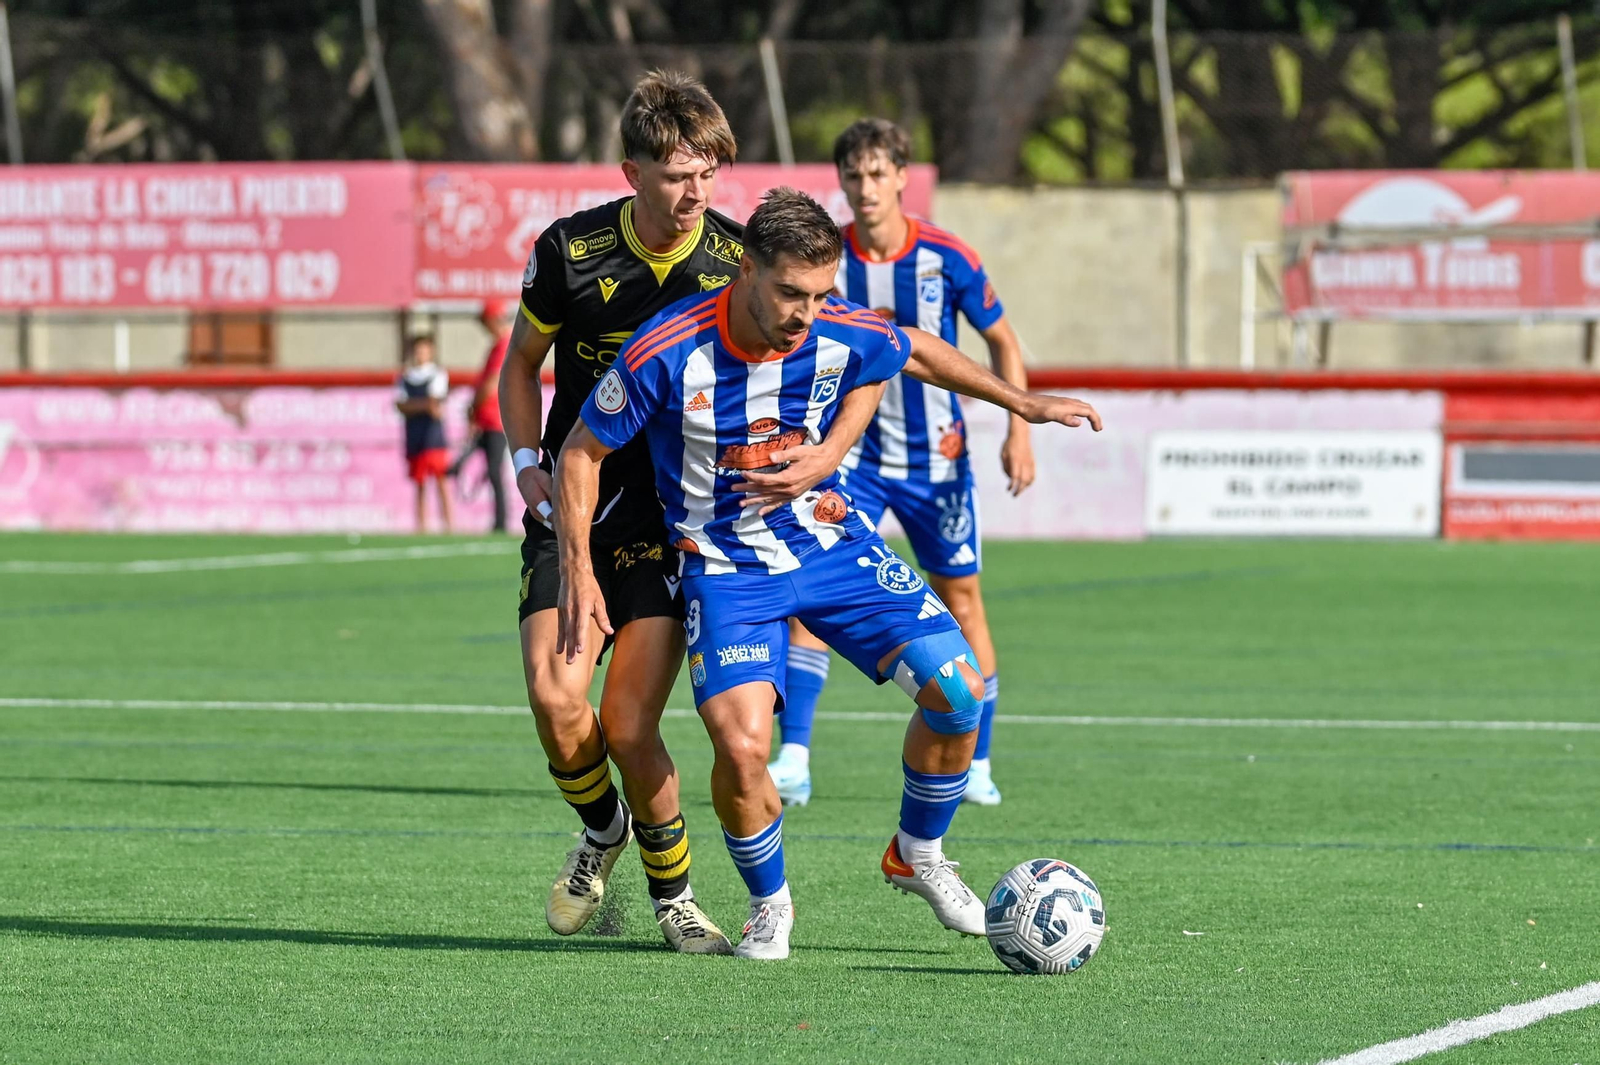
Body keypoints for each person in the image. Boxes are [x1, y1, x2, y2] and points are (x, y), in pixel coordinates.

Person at [552, 189, 1102, 960]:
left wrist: (1023, 402)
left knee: (958, 692)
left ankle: (918, 850)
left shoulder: (832, 324)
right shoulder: (667, 347)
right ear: (746, 270)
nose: (806, 313)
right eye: (789, 294)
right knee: (741, 747)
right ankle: (769, 904)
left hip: (833, 546)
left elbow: (907, 346)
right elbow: (581, 448)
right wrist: (577, 566)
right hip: (727, 567)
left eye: (818, 294)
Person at [498, 69, 746, 954]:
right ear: (632, 169)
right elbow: (519, 365)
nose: (697, 194)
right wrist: (527, 463)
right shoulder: (568, 251)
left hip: (670, 521)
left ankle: (674, 898)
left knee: (629, 723)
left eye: (710, 173)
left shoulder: (733, 261)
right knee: (557, 701)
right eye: (680, 174)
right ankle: (602, 831)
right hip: (574, 511)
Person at [770, 118, 1029, 808]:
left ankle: (975, 760)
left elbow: (1002, 340)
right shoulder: (826, 261)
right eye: (853, 176)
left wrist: (1019, 429)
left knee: (963, 597)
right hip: (853, 458)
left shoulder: (949, 257)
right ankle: (792, 755)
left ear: (902, 177)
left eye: (877, 173)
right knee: (810, 594)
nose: (865, 188)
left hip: (936, 462)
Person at [449, 300, 513, 532]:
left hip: (495, 420)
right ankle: (498, 521)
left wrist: (474, 408)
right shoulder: (499, 345)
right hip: (487, 420)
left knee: (495, 472)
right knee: (490, 470)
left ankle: (501, 522)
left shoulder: (504, 345)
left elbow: (491, 384)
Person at [393, 333, 454, 534]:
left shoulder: (437, 374)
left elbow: (434, 404)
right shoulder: (405, 377)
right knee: (419, 483)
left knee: (440, 480)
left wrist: (414, 405)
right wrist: (424, 405)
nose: (420, 353)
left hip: (433, 436)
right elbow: (402, 405)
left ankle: (448, 524)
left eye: (424, 349)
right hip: (415, 436)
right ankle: (421, 526)